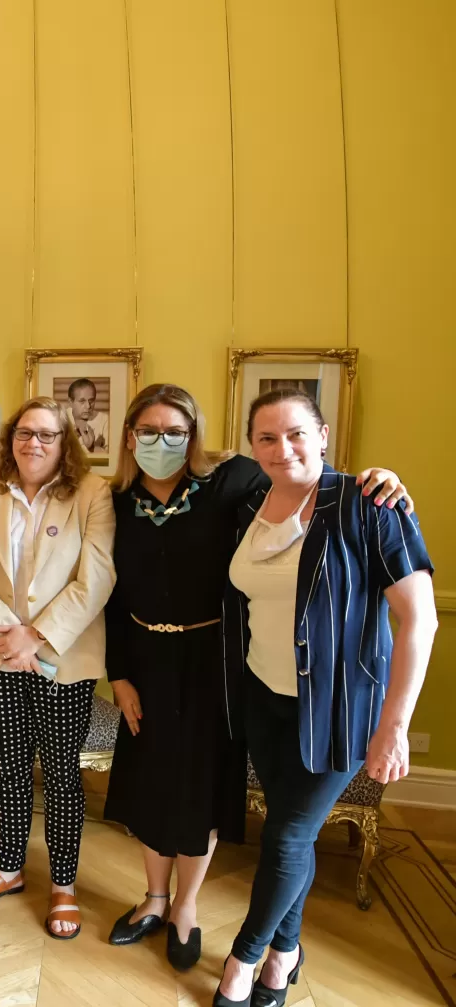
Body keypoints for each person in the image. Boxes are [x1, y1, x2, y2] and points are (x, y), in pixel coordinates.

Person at [102, 384, 411, 970]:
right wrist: (119, 675)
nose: (161, 442)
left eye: (175, 432)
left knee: (198, 790)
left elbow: (306, 476)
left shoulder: (229, 483)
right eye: (148, 432)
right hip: (145, 663)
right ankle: (153, 898)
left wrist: (379, 481)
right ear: (129, 437)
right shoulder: (115, 502)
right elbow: (112, 599)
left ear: (194, 437)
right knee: (148, 782)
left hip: (216, 666)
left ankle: (186, 908)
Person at [213, 390, 436, 1007]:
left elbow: (420, 621)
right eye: (265, 438)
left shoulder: (371, 503)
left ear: (323, 433)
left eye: (295, 434)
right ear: (250, 445)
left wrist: (394, 727)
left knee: (285, 838)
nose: (282, 449)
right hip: (265, 697)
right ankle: (287, 953)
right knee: (293, 834)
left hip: (341, 710)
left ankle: (244, 960)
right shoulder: (250, 499)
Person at [0, 397, 116, 940]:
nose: (34, 444)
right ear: (11, 438)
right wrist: (8, 636)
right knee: (11, 765)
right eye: (25, 433)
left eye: (47, 435)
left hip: (62, 659)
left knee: (63, 774)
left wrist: (36, 638)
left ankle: (64, 886)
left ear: (65, 441)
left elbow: (96, 577)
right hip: (0, 653)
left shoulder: (93, 493)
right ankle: (9, 868)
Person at [67, 378, 109, 454]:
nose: (88, 406)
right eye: (82, 401)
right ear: (70, 402)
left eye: (91, 401)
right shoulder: (61, 419)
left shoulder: (105, 420)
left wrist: (92, 448)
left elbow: (112, 456)